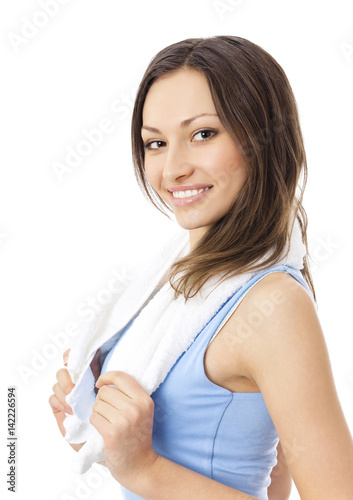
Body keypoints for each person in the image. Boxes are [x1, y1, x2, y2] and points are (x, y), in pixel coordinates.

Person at [48, 36, 353, 499]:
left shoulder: (272, 305)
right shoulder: (174, 282)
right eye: (155, 143)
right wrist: (106, 443)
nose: (172, 169)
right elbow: (271, 468)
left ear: (262, 137)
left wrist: (145, 468)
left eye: (203, 134)